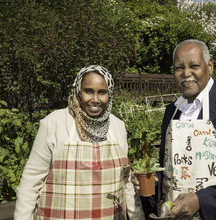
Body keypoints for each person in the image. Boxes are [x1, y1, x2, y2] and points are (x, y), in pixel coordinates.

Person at [132, 39, 216, 220]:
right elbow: (172, 167)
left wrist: (200, 200)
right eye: (179, 68)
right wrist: (154, 181)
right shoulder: (171, 111)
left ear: (210, 66)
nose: (186, 73)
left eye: (194, 65)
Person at [14, 65, 145, 220]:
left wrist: (138, 217)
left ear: (109, 94)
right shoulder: (54, 123)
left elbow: (126, 182)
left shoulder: (117, 126)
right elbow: (31, 182)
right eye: (88, 91)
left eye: (102, 92)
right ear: (78, 90)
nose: (95, 100)